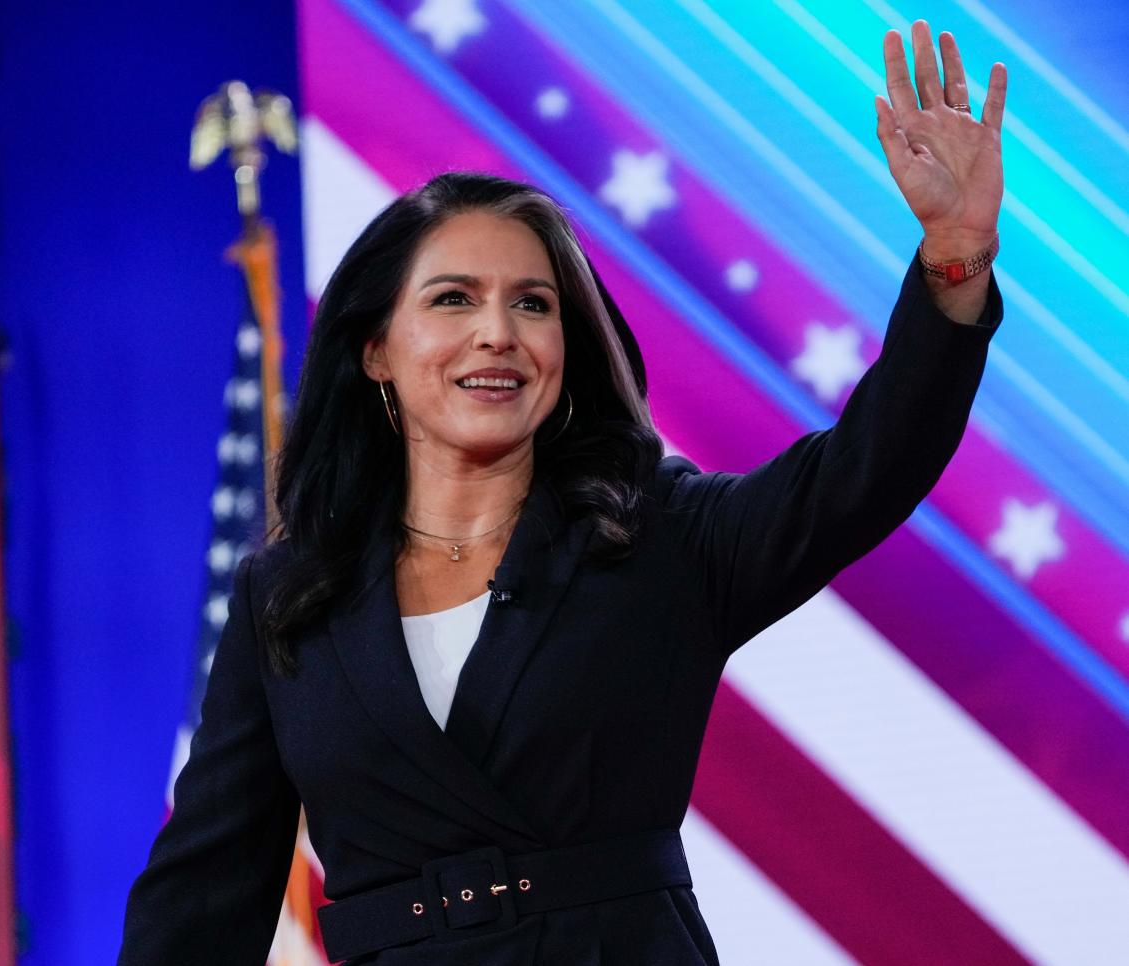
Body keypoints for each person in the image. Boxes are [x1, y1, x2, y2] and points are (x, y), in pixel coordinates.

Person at [118, 21, 1006, 965]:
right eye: (452, 299)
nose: (497, 333)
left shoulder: (659, 534)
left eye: (532, 304)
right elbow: (205, 892)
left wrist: (954, 258)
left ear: (567, 346)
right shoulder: (290, 595)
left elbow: (867, 470)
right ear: (375, 347)